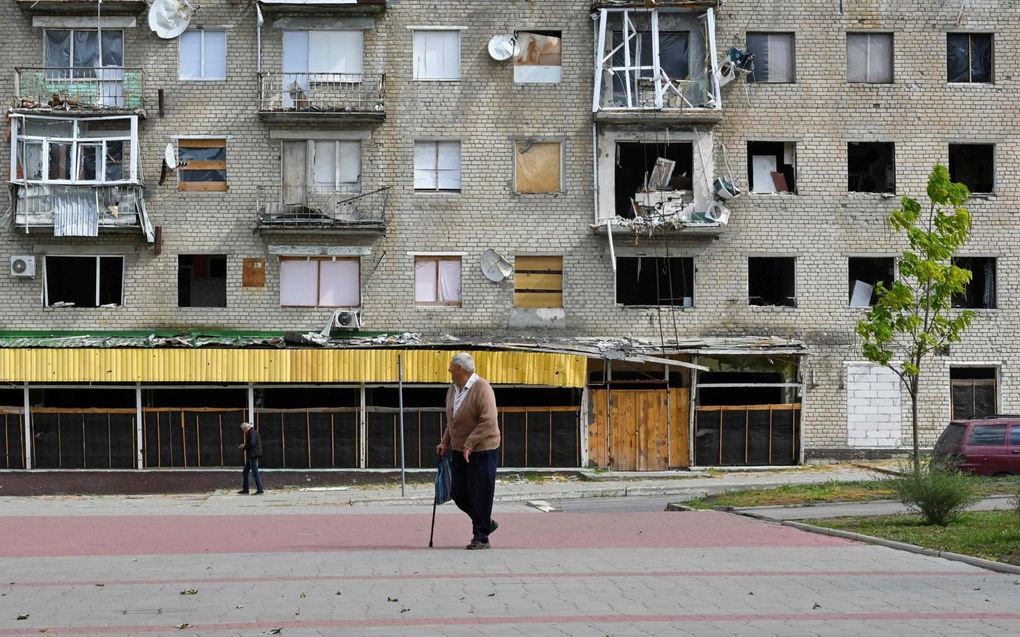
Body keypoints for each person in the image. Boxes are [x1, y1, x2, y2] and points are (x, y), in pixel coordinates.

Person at [436, 353, 501, 549]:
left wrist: (470, 443)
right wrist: (445, 441)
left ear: (463, 369)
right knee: (457, 492)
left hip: (482, 450)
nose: (449, 370)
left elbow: (488, 420)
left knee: (480, 493)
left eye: (452, 367)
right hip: (459, 450)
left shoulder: (482, 388)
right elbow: (453, 420)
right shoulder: (453, 389)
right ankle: (485, 523)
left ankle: (481, 537)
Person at [238, 422, 264, 495]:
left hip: (253, 455)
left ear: (246, 428)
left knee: (255, 472)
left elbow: (252, 444)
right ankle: (245, 489)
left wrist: (244, 446)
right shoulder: (252, 432)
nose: (243, 431)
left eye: (243, 430)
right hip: (252, 455)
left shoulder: (251, 432)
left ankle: (260, 490)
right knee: (245, 472)